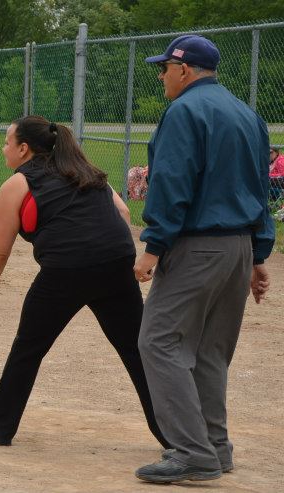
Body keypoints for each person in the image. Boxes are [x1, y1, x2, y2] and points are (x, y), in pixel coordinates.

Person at [0, 115, 169, 451]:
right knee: (137, 349)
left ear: (24, 148)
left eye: (7, 142)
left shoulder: (17, 184)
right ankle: (175, 435)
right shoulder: (84, 170)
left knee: (29, 347)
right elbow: (122, 214)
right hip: (116, 263)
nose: (4, 148)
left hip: (66, 271)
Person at [133, 35, 274, 484]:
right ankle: (215, 446)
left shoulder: (184, 111)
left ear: (185, 70)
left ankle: (193, 453)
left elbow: (172, 183)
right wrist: (257, 255)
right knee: (210, 351)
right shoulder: (247, 113)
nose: (161, 76)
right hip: (237, 248)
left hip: (197, 246)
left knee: (158, 342)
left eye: (165, 68)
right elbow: (261, 190)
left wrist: (151, 248)